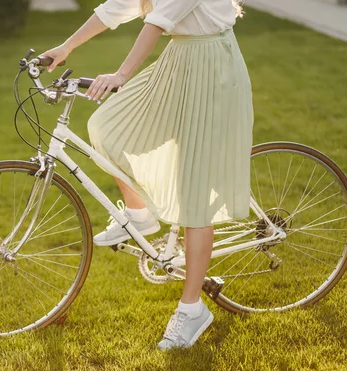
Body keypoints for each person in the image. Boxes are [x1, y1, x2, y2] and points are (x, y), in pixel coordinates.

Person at [41, 0, 253, 350]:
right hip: (178, 62)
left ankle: (192, 309)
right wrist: (66, 47)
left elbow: (157, 21)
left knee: (193, 187)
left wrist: (121, 75)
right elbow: (118, 6)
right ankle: (139, 214)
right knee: (106, 126)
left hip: (214, 68)